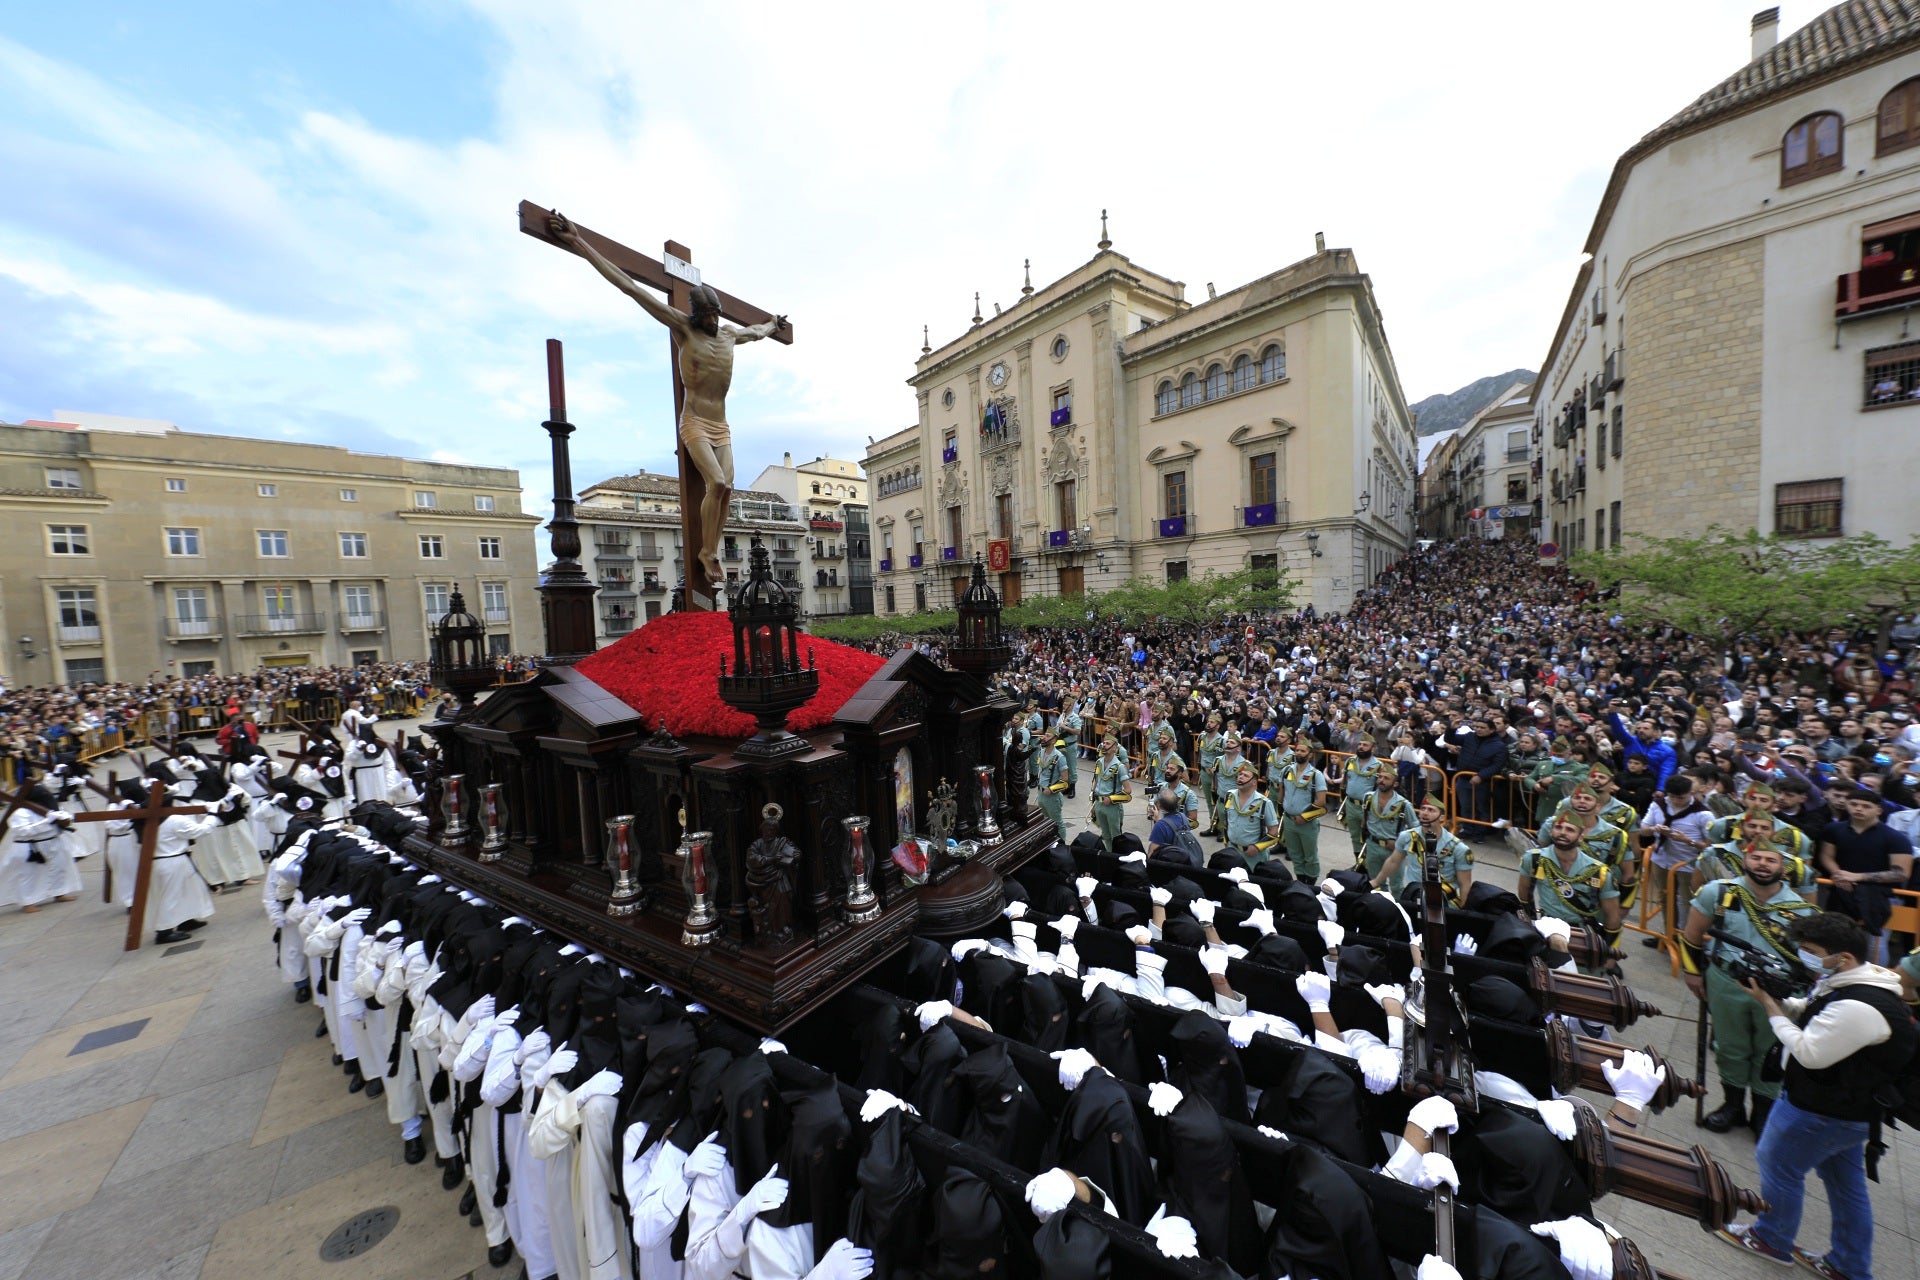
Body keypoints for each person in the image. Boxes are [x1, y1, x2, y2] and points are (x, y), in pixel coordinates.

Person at [549, 212, 785, 585]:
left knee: (728, 489)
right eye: (707, 314)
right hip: (694, 421)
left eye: (716, 314)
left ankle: (711, 547)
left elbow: (755, 331)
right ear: (695, 314)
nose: (712, 320)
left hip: (721, 424)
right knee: (718, 484)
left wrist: (774, 324)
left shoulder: (726, 335)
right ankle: (707, 554)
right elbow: (630, 286)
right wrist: (578, 241)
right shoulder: (683, 329)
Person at [1718, 911, 1916, 1280]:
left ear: (1843, 957)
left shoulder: (1861, 1004)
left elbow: (1810, 1052)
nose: (1804, 956)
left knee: (1779, 1166)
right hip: (1851, 1111)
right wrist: (1785, 1000)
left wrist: (1771, 1007)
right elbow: (1820, 1015)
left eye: (1811, 950)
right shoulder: (1856, 981)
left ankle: (1772, 1239)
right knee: (1847, 1187)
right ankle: (1849, 1264)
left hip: (1823, 1111)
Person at [1679, 836, 1820, 1136]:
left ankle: (1763, 1111)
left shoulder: (1802, 909)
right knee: (1729, 1046)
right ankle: (1732, 1105)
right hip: (1728, 982)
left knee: (1771, 1050)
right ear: (1744, 860)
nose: (1763, 864)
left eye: (1771, 859)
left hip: (1779, 990)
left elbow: (1813, 960)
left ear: (1785, 866)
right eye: (1757, 858)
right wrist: (1692, 974)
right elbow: (1691, 937)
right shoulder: (1717, 893)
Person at [1817, 786, 1915, 960]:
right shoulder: (1834, 830)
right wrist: (1838, 874)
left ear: (1879, 810)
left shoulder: (1894, 838)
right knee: (1834, 940)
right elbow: (1826, 855)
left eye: (1866, 806)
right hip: (1840, 891)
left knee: (1874, 944)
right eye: (1854, 804)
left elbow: (1901, 873)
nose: (1859, 809)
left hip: (1882, 896)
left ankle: (1875, 983)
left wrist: (1857, 877)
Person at [1518, 815, 1622, 947]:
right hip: (1546, 929)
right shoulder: (1534, 859)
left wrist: (1609, 954)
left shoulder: (1599, 872)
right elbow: (1524, 896)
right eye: (1558, 827)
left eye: (1570, 830)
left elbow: (1612, 916)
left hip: (1584, 936)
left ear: (1580, 837)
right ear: (1551, 832)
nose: (1562, 832)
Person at [1381, 793, 1472, 902]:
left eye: (1431, 810)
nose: (1425, 812)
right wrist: (1376, 881)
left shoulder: (1459, 848)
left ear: (1442, 817)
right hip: (1413, 898)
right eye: (1423, 809)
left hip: (1443, 903)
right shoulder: (1407, 837)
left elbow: (1465, 884)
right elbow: (1393, 861)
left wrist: (1463, 910)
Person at [1358, 769, 1418, 896]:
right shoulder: (1368, 797)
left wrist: (1400, 843)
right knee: (1376, 884)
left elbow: (1416, 828)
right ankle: (1380, 908)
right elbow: (1365, 819)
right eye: (1380, 777)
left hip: (1394, 850)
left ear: (1395, 784)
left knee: (1397, 886)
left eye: (1386, 778)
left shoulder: (1403, 804)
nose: (1381, 780)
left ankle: (1397, 911)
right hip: (1373, 845)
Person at [1275, 744, 1330, 882]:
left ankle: (1310, 885)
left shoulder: (1316, 775)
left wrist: (1304, 817)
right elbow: (1281, 793)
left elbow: (1321, 801)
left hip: (1307, 823)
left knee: (1310, 856)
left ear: (1310, 755)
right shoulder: (1287, 770)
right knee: (1295, 854)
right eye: (1297, 750)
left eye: (1303, 750)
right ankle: (1300, 881)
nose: (1299, 753)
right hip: (1289, 820)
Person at [1337, 736, 1388, 860]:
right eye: (1359, 744)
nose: (1361, 747)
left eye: (1365, 745)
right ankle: (1358, 864)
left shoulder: (1379, 766)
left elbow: (1381, 789)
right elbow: (1345, 781)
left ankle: (1370, 865)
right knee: (1354, 836)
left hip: (1368, 808)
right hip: (1351, 805)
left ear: (1373, 749)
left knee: (1369, 837)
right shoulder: (1350, 761)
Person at [1222, 762, 1280, 865]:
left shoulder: (1264, 803)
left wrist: (1257, 847)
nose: (1241, 777)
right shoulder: (1229, 796)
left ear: (1254, 782)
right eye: (1240, 774)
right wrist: (1226, 842)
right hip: (1232, 852)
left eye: (1245, 775)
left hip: (1254, 856)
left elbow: (1273, 832)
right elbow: (1226, 822)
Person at [1090, 735, 1129, 852]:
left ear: (1114, 748)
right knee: (1105, 835)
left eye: (1107, 744)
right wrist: (1093, 803)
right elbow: (1096, 782)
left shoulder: (1119, 767)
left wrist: (1112, 799)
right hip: (1099, 804)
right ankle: (1108, 856)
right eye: (1103, 743)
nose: (1104, 746)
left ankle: (1116, 858)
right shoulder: (1098, 762)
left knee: (1116, 836)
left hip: (1112, 806)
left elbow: (1128, 790)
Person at [1034, 729, 1071, 844]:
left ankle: (1062, 844)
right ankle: (1049, 842)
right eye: (1044, 735)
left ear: (1054, 740)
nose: (1044, 737)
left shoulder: (1059, 757)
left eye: (1047, 735)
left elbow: (1065, 780)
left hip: (1052, 796)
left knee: (1057, 822)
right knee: (1044, 821)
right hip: (1041, 793)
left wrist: (1051, 789)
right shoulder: (1041, 751)